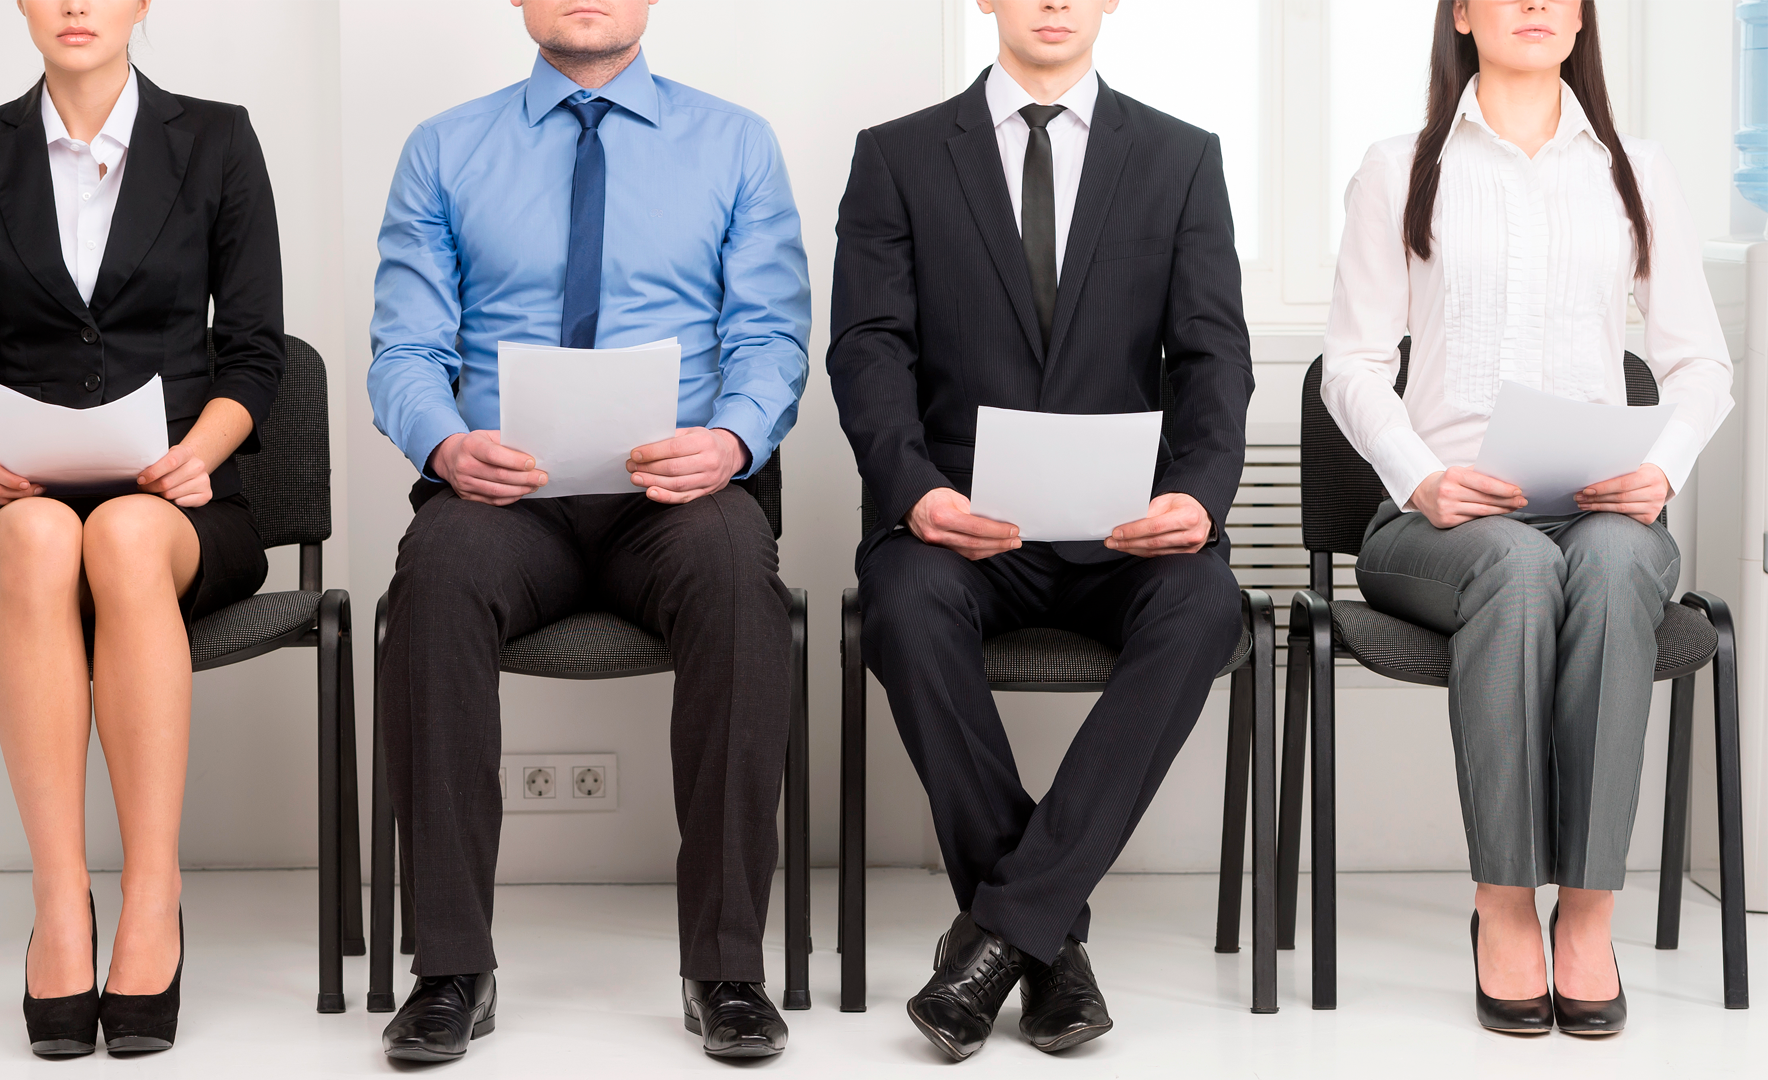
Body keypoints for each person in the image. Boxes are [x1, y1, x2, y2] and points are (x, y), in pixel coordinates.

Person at [365, 0, 809, 1062]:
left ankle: (726, 967)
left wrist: (732, 442)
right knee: (431, 576)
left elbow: (772, 340)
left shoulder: (736, 143)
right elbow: (403, 350)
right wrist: (443, 445)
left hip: (677, 495)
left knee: (741, 579)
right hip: (507, 497)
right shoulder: (444, 150)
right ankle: (451, 967)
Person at [827, 0, 1252, 1060]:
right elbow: (867, 349)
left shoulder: (1181, 159)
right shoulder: (898, 157)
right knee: (907, 607)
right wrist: (915, 492)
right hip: (962, 520)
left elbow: (1213, 358)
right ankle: (1046, 946)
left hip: (1126, 528)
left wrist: (1199, 495)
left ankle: (1001, 934)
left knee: (1206, 604)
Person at [1324, 0, 1732, 1037]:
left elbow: (1700, 365)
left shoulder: (1633, 169)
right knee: (1513, 563)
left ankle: (1586, 913)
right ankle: (1504, 904)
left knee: (1603, 563)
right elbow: (1354, 366)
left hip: (1597, 511)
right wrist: (1421, 477)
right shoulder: (1399, 166)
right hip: (1442, 528)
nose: (1537, 5)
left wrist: (1660, 467)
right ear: (1463, 13)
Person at [0, 0, 284, 1059]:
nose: (77, 4)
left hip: (179, 502)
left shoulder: (216, 139)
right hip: (22, 497)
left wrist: (201, 452)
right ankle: (62, 902)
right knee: (40, 538)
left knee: (122, 533)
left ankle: (152, 898)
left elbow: (255, 349)